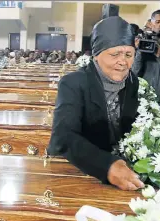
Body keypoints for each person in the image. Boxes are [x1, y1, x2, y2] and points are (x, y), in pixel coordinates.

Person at [48, 16, 144, 191]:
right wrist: (106, 165)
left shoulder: (132, 82)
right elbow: (64, 137)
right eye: (115, 54)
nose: (123, 61)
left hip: (120, 171)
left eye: (129, 55)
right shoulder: (74, 83)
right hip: (79, 169)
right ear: (96, 55)